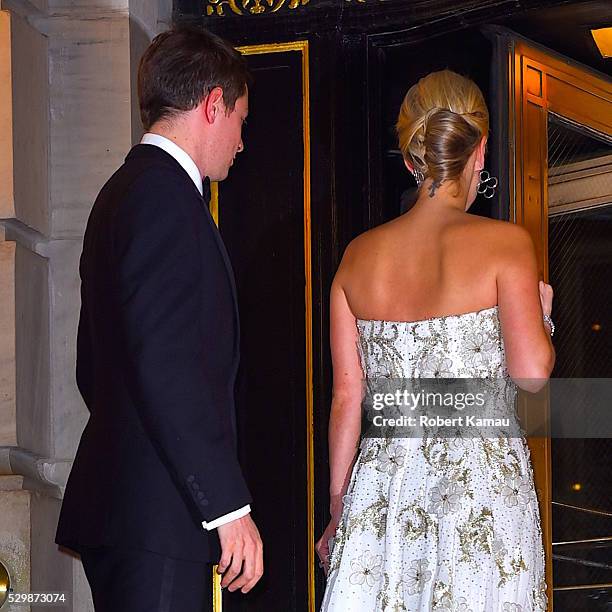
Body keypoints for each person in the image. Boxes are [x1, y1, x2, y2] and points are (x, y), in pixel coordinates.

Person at [316, 69, 555, 611]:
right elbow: (533, 376)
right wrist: (542, 319)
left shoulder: (357, 257)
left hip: (386, 490)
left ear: (411, 157)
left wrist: (339, 505)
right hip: (483, 492)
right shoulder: (506, 244)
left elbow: (347, 398)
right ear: (481, 151)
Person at [55, 26, 263, 611]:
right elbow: (165, 365)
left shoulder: (125, 192)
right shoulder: (164, 199)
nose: (242, 142)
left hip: (136, 513)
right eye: (241, 120)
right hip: (157, 520)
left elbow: (92, 367)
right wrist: (227, 506)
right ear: (212, 105)